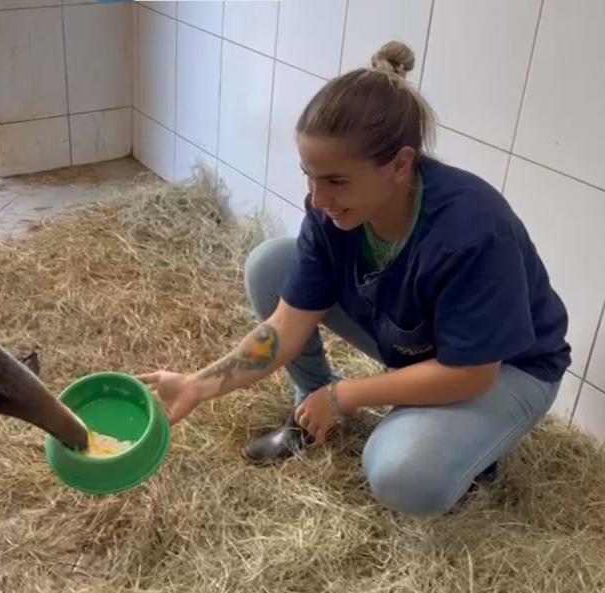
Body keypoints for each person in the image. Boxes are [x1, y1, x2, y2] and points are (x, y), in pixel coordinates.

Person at [138, 39, 572, 517]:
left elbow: (472, 371)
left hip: (505, 369)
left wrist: (346, 395)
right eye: (310, 176)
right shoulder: (333, 215)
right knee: (271, 265)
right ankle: (312, 407)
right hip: (419, 342)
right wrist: (200, 384)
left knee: (403, 476)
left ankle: (469, 452)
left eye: (337, 181)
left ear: (401, 164)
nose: (318, 199)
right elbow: (285, 329)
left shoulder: (472, 229)